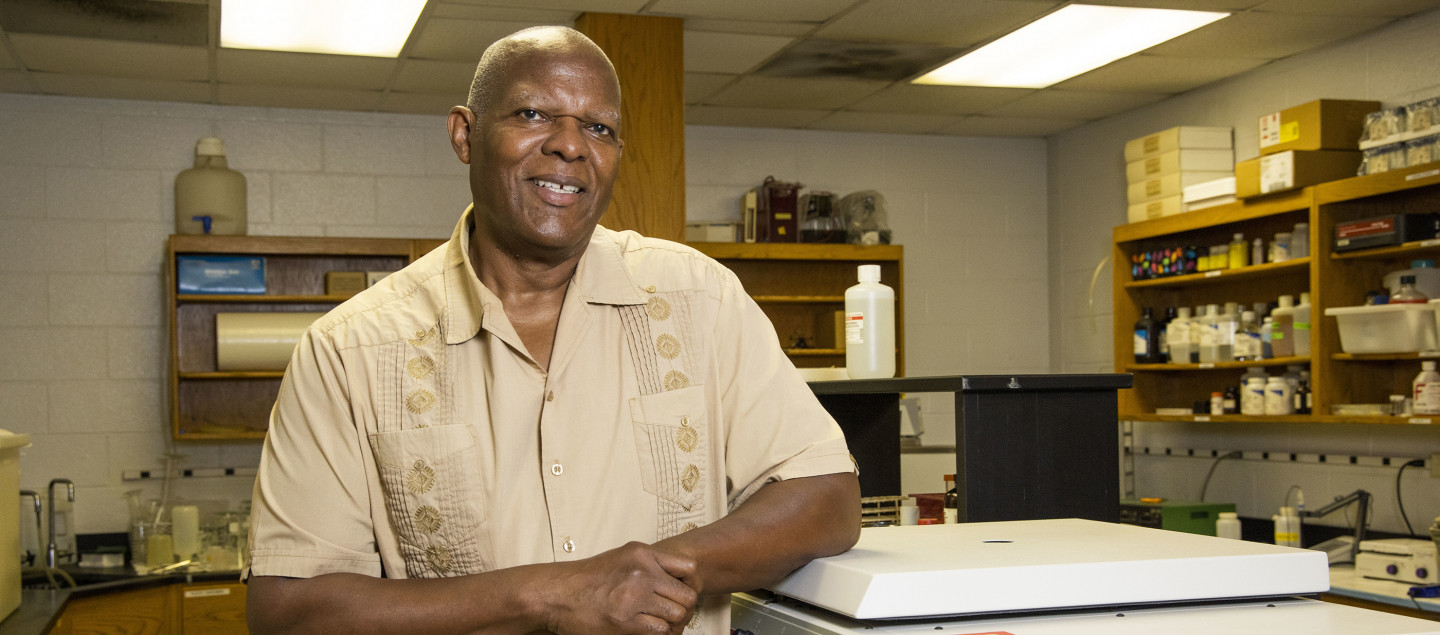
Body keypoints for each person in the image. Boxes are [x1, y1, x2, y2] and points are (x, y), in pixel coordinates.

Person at [245, 25, 860, 634]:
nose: (570, 145)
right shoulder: (348, 350)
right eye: (533, 114)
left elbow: (828, 498)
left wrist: (653, 576)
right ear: (464, 134)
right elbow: (287, 610)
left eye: (599, 128)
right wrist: (552, 596)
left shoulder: (701, 298)